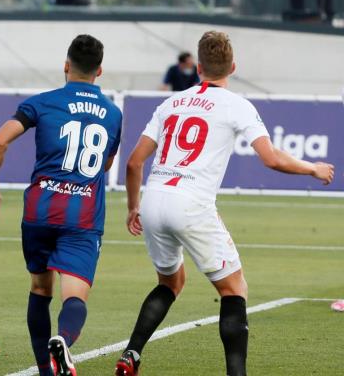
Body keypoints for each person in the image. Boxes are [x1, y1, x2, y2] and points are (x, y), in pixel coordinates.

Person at [114, 31, 335, 376]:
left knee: (169, 284)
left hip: (153, 199)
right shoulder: (237, 105)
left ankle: (131, 353)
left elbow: (133, 163)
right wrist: (312, 168)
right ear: (233, 66)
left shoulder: (171, 102)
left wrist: (133, 207)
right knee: (235, 289)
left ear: (198, 67)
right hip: (191, 203)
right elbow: (271, 158)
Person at [0, 35, 122, 376]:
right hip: (83, 215)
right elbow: (105, 164)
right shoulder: (114, 114)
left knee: (40, 289)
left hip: (40, 209)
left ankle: (45, 370)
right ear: (99, 70)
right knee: (74, 296)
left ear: (66, 65)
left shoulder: (41, 103)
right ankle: (63, 341)